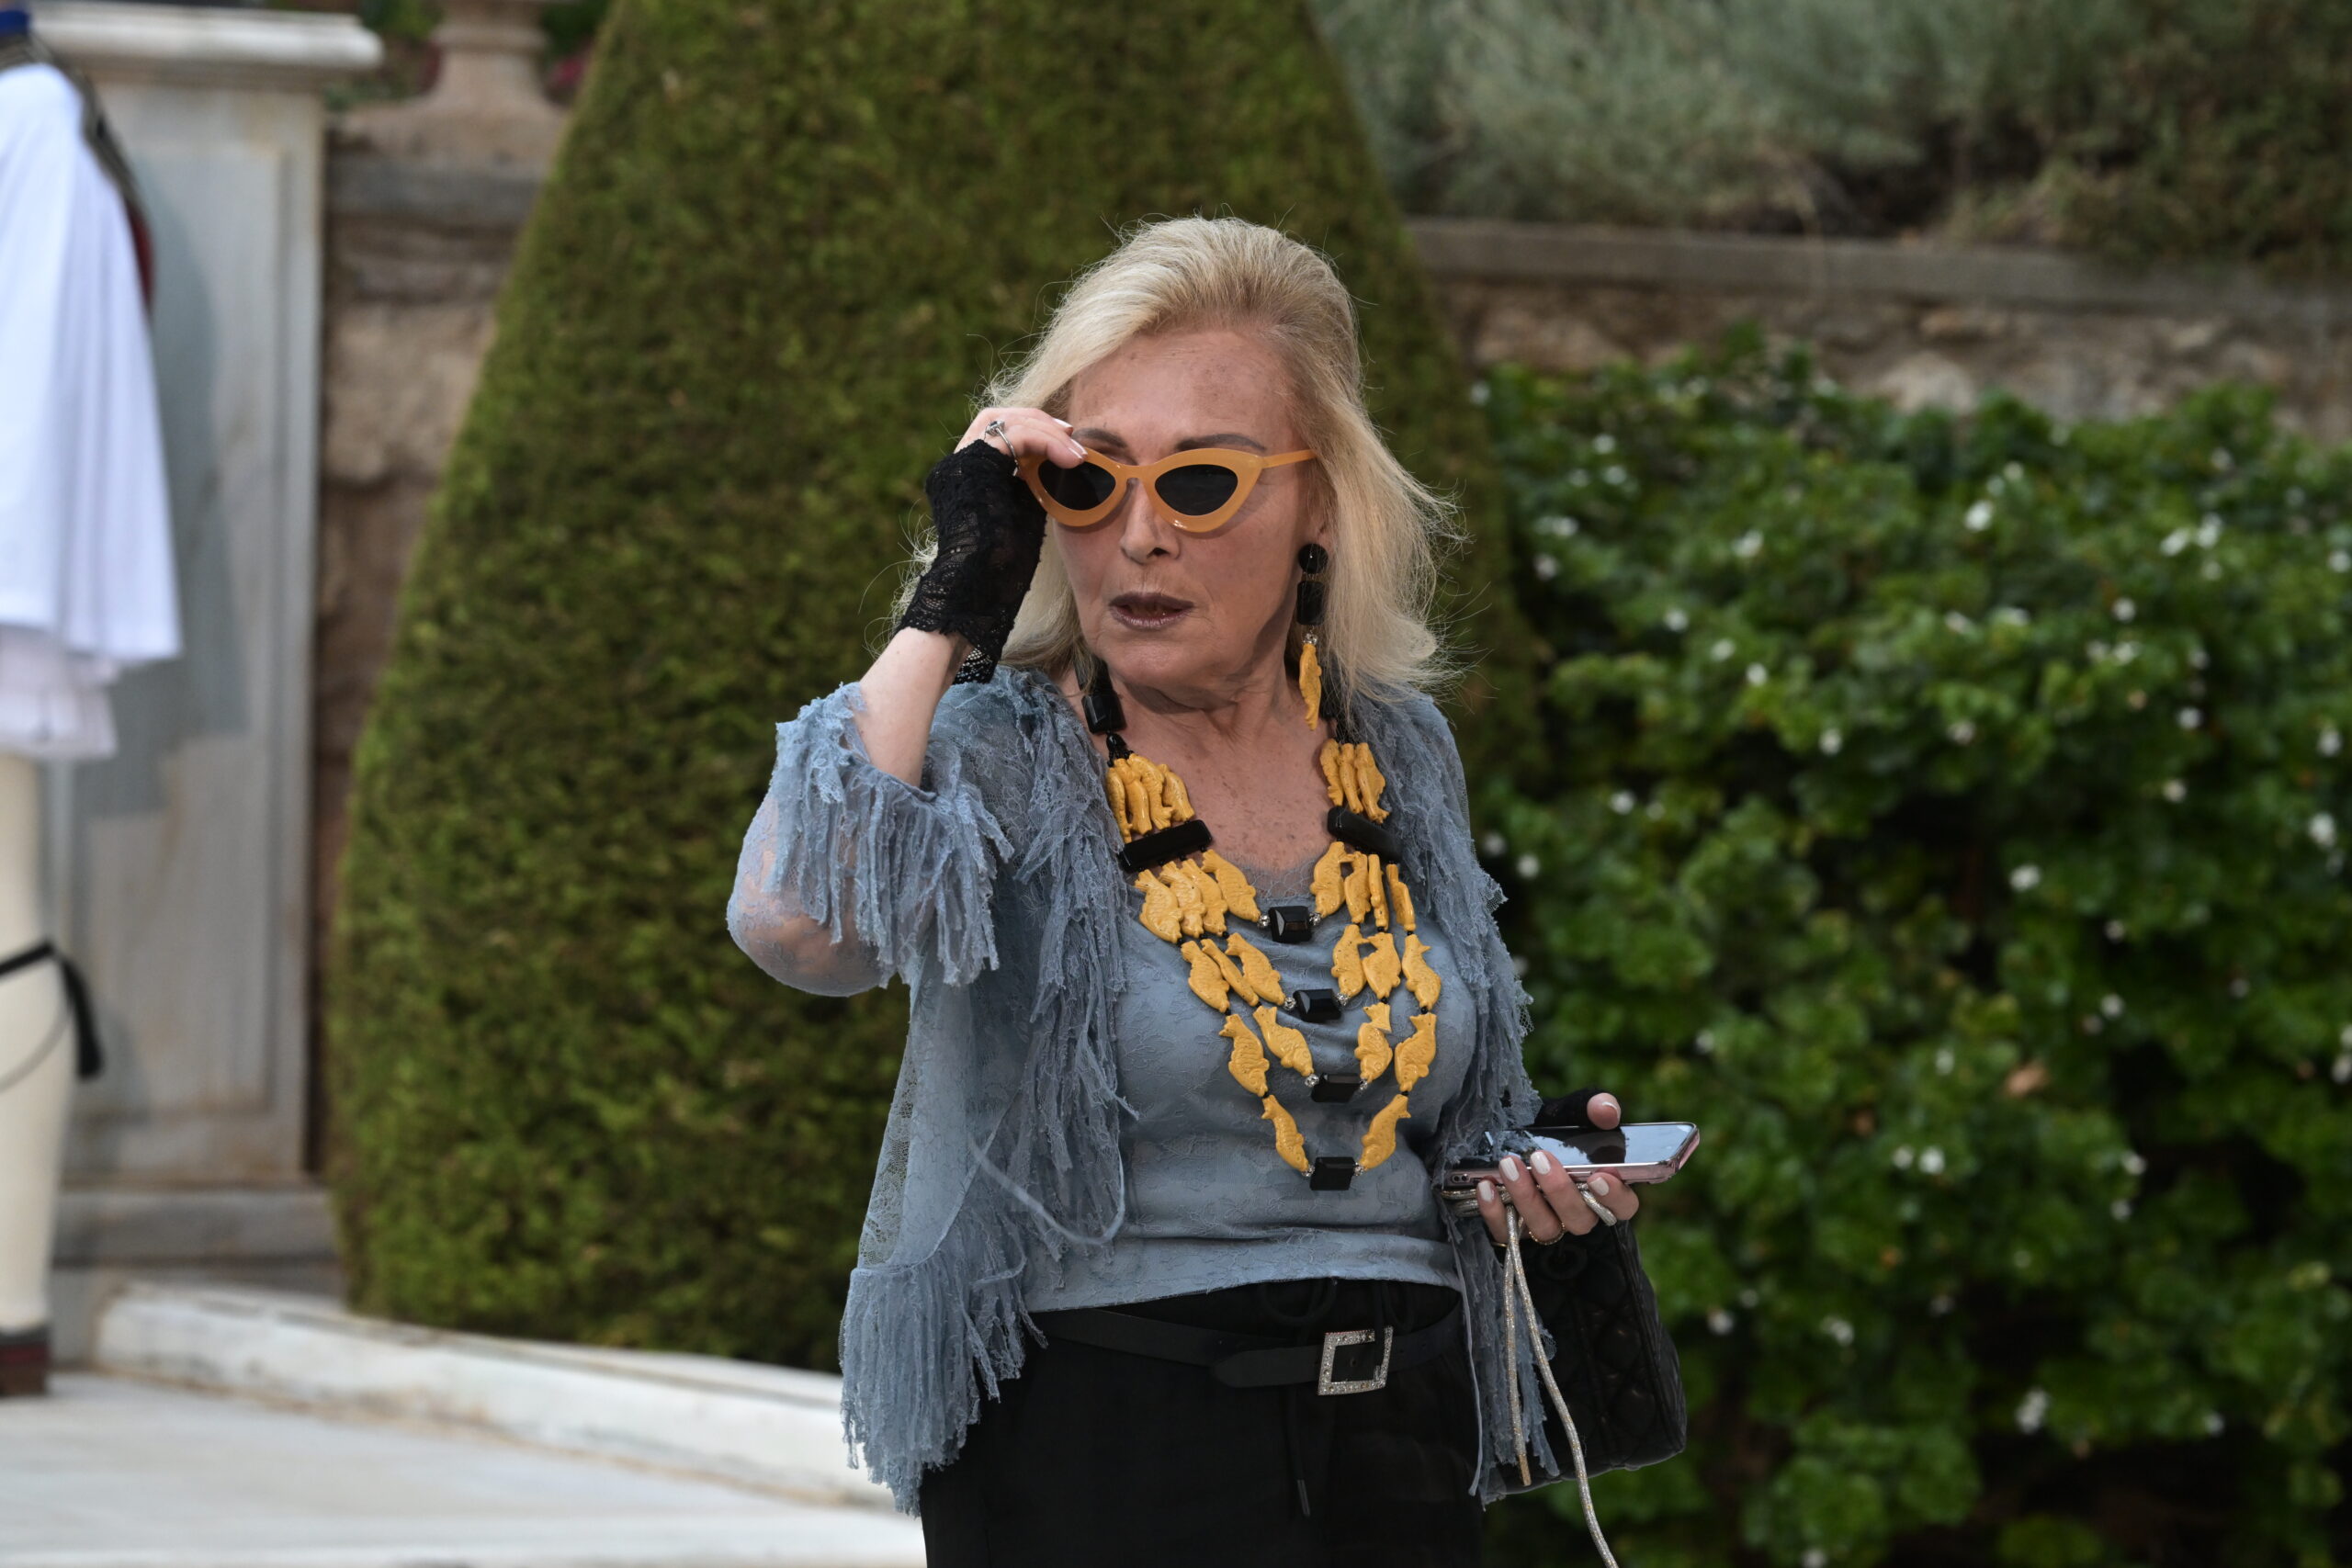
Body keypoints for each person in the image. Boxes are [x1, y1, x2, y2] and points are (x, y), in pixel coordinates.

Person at [728, 217, 1652, 1564]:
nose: (1142, 535)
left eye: (1203, 483)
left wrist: (1520, 1172)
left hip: (1402, 1442)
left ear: (1321, 501)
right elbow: (797, 925)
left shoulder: (1396, 750)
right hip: (1105, 1449)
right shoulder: (1000, 747)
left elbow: (1401, 1093)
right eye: (1090, 483)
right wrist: (955, 595)